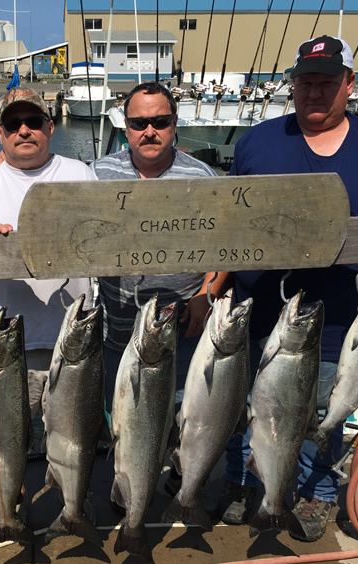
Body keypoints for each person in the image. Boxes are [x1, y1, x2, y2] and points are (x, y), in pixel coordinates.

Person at [217, 35, 358, 542]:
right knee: (243, 404)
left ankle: (316, 491)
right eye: (305, 82)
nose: (314, 93)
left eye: (326, 83)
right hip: (258, 310)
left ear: (349, 85)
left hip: (338, 316)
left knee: (322, 410)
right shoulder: (258, 141)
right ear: (293, 85)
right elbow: (225, 218)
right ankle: (244, 482)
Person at [90, 81, 221, 505]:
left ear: (174, 125)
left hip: (181, 324)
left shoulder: (201, 176)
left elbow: (230, 243)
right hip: (118, 325)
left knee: (182, 412)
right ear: (125, 127)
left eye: (160, 122)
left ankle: (179, 482)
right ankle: (126, 485)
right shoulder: (98, 173)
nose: (149, 131)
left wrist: (206, 295)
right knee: (123, 416)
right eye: (139, 123)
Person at [0, 87, 96, 421]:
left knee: (69, 443)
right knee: (1, 442)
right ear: (0, 133)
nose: (24, 130)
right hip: (0, 343)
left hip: (72, 339)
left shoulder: (80, 173)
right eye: (13, 124)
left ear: (50, 127)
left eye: (33, 121)